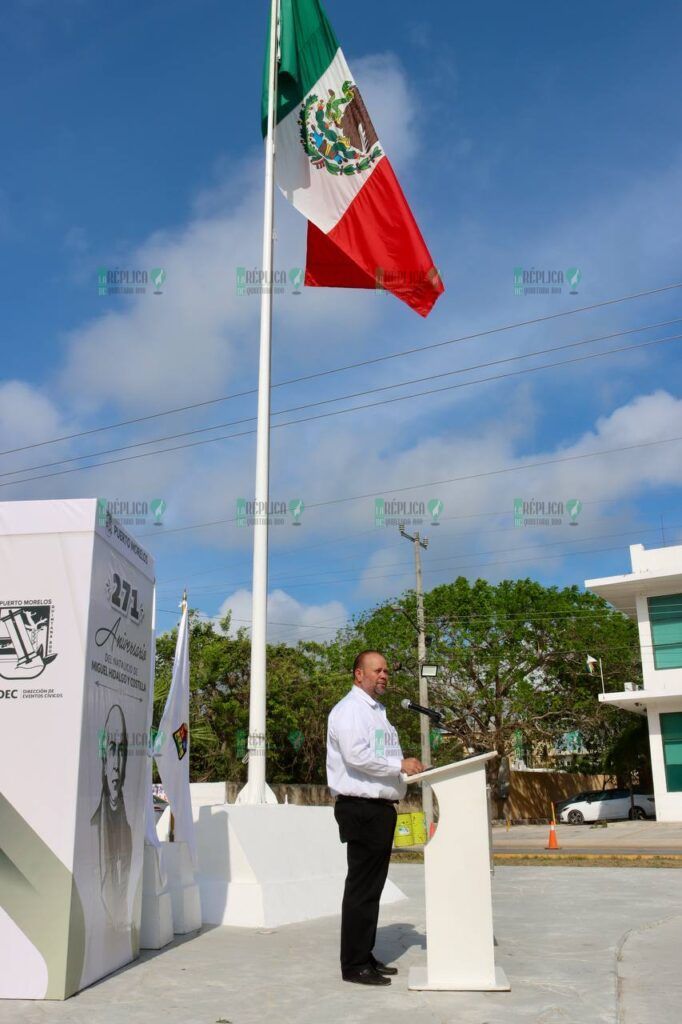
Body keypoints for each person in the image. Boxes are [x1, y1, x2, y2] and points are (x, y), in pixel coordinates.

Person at [327, 650, 424, 985]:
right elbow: (356, 756)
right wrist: (400, 766)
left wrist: (405, 774)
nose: (384, 675)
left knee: (372, 888)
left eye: (386, 670)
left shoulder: (377, 713)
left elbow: (380, 757)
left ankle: (364, 954)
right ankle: (353, 965)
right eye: (377, 670)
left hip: (380, 809)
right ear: (358, 675)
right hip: (361, 808)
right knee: (362, 889)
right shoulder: (350, 710)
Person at [91, 703, 132, 930]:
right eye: (111, 749)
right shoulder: (92, 826)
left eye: (122, 750)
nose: (116, 764)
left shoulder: (128, 830)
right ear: (103, 757)